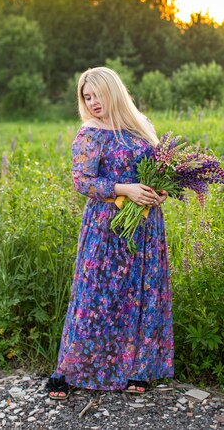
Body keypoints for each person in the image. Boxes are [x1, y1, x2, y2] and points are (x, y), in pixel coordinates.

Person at [47, 66, 174, 399]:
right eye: (86, 97)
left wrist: (160, 192)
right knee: (94, 296)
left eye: (96, 95)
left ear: (112, 91)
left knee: (142, 294)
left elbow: (160, 172)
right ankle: (71, 370)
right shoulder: (90, 132)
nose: (92, 103)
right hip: (105, 225)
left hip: (144, 224)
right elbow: (82, 182)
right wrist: (125, 189)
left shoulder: (142, 126)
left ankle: (139, 370)